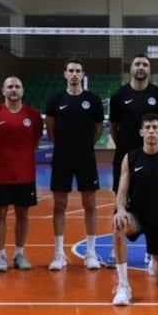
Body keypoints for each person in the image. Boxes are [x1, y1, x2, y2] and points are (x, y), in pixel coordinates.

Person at [110, 114, 158, 306]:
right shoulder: (131, 158)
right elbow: (121, 193)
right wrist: (120, 210)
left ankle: (155, 257)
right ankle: (123, 285)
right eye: (148, 127)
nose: (151, 131)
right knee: (118, 226)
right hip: (136, 215)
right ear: (141, 132)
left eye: (155, 127)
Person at [44, 58, 105, 271]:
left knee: (90, 203)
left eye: (78, 71)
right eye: (70, 70)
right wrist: (64, 146)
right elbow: (51, 130)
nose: (74, 74)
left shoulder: (93, 100)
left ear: (83, 74)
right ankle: (58, 253)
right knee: (59, 204)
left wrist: (86, 145)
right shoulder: (56, 100)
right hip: (62, 159)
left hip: (85, 159)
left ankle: (91, 252)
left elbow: (98, 128)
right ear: (65, 74)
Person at [0, 76, 43, 272]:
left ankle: (19, 254)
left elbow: (35, 142)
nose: (13, 90)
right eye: (10, 87)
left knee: (22, 213)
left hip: (25, 174)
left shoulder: (33, 115)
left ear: (22, 90)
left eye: (17, 86)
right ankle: (0, 255)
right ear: (3, 90)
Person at [109, 54, 158, 194]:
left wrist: (153, 142)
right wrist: (123, 144)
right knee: (122, 197)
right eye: (137, 64)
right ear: (131, 69)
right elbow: (113, 127)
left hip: (151, 155)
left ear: (149, 70)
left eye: (145, 65)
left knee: (150, 195)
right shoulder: (119, 95)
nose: (141, 67)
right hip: (125, 154)